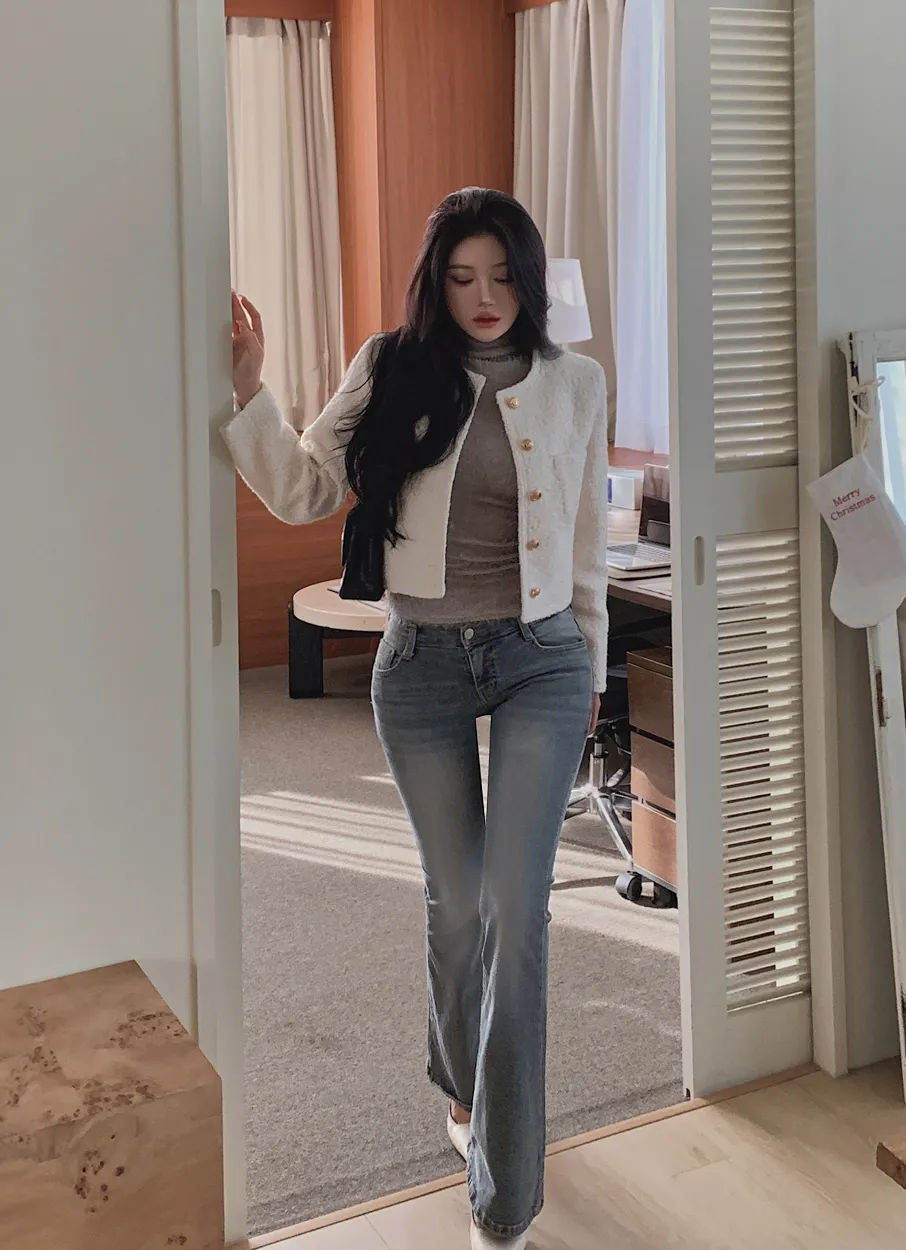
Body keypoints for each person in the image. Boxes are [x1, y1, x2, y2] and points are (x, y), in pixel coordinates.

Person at [226, 187, 608, 1249]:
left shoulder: (575, 381)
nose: (484, 297)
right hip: (422, 666)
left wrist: (590, 670)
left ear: (528, 281)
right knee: (456, 905)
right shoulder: (391, 364)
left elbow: (582, 541)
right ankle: (459, 1079)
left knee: (516, 911)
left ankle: (504, 1196)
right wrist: (249, 392)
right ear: (436, 282)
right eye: (462, 276)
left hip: (541, 660)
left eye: (503, 276)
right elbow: (307, 489)